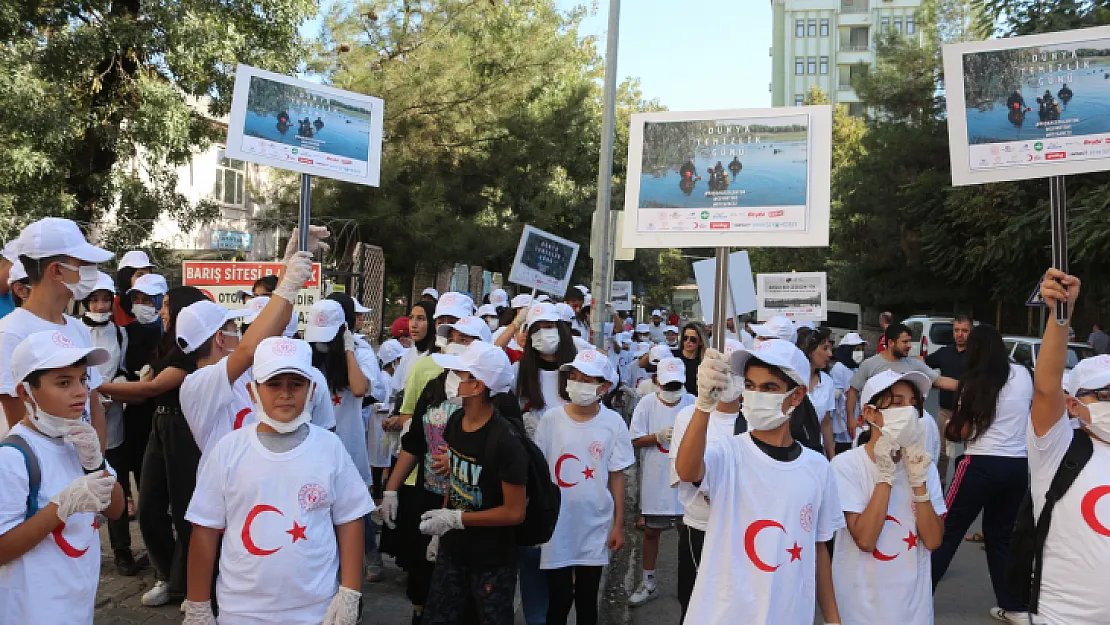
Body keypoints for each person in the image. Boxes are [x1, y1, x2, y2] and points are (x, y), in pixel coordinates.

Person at [183, 337, 373, 625]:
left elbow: (349, 520)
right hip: (242, 610)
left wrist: (349, 592)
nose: (285, 393)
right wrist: (198, 606)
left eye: (296, 384)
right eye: (273, 384)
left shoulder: (330, 447)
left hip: (316, 609)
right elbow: (205, 530)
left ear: (312, 392)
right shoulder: (228, 449)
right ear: (253, 391)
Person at [675, 340, 843, 624]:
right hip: (725, 614)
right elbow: (688, 471)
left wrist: (833, 619)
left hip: (788, 614)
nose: (755, 395)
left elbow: (819, 548)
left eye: (769, 388)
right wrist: (703, 406)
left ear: (797, 395)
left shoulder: (818, 468)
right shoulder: (727, 453)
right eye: (750, 385)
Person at [0, 330, 125, 624]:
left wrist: (95, 463)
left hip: (78, 603)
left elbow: (116, 509)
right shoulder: (14, 457)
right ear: (26, 392)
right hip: (31, 610)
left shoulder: (77, 440)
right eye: (63, 382)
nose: (81, 391)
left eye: (83, 379)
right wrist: (61, 507)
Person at [98, 285, 209, 607]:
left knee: (186, 510)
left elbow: (153, 387)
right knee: (149, 506)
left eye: (167, 305)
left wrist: (92, 385)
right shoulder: (165, 342)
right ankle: (166, 573)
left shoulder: (191, 350)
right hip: (159, 425)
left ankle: (188, 582)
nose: (161, 311)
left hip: (183, 428)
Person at [381, 315, 491, 624]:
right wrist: (391, 488)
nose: (458, 343)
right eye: (453, 336)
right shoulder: (433, 386)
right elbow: (414, 443)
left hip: (473, 503)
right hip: (429, 495)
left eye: (466, 338)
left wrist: (459, 461)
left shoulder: (495, 394)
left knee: (466, 583)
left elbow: (503, 454)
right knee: (425, 574)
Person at [417, 341, 529, 625]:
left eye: (460, 374)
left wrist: (457, 519)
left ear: (478, 386)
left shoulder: (505, 442)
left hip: (492, 560)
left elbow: (515, 512)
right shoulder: (456, 421)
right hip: (453, 551)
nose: (452, 379)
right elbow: (454, 481)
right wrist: (442, 529)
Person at [931, 324, 1031, 623]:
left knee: (945, 533)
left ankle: (918, 598)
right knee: (1001, 537)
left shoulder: (971, 383)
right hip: (1017, 467)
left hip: (980, 464)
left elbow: (960, 432)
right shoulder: (1024, 375)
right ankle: (1013, 606)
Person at [831, 370, 946, 625]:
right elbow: (865, 538)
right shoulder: (847, 465)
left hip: (913, 608)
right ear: (870, 413)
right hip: (861, 607)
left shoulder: (922, 465)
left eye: (913, 404)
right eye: (897, 403)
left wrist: (919, 484)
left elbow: (933, 539)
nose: (908, 411)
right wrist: (886, 476)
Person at [1028, 268, 1110, 625]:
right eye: (1105, 395)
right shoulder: (1056, 450)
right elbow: (1046, 388)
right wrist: (1060, 315)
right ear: (1073, 405)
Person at [534, 349, 634, 625]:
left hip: (595, 522)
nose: (577, 383)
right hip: (557, 523)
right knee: (559, 598)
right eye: (574, 376)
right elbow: (540, 472)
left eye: (587, 379)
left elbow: (616, 475)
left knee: (587, 600)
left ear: (603, 387)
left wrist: (617, 525)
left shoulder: (613, 423)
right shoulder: (551, 419)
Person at [0, 218, 113, 445]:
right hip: (45, 473)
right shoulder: (10, 333)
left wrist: (97, 464)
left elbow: (93, 402)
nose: (91, 272)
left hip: (82, 466)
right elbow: (18, 420)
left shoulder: (78, 328)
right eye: (83, 264)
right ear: (57, 270)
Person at [667, 354, 743, 621]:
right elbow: (685, 472)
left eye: (732, 372)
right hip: (700, 528)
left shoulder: (755, 420)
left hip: (741, 532)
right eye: (719, 372)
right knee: (693, 605)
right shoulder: (688, 415)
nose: (726, 379)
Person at [82, 272, 140, 576]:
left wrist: (116, 386)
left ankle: (121, 550)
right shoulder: (74, 330)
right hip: (81, 416)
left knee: (112, 480)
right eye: (95, 299)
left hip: (113, 416)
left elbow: (122, 368)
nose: (101, 305)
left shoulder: (120, 333)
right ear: (85, 301)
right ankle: (79, 547)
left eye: (106, 299)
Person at [628, 357, 693, 606]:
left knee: (687, 536)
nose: (672, 390)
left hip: (684, 482)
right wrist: (656, 436)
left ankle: (689, 585)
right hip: (655, 481)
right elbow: (634, 440)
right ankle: (648, 580)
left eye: (676, 384)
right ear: (656, 381)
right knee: (652, 532)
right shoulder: (646, 404)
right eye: (668, 385)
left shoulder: (691, 402)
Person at [847, 323, 958, 442]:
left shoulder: (915, 365)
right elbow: (853, 392)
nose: (909, 346)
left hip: (906, 432)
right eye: (905, 342)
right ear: (891, 343)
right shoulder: (869, 364)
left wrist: (970, 385)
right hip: (876, 428)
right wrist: (850, 419)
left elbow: (940, 381)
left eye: (910, 342)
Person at [925, 314, 972, 486]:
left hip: (970, 413)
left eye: (964, 331)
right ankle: (939, 488)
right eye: (957, 330)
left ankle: (966, 488)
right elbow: (923, 363)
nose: (960, 334)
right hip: (945, 411)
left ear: (971, 332)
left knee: (971, 454)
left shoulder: (977, 355)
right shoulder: (944, 352)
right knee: (941, 454)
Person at [800, 327, 837, 459]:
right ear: (810, 350)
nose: (830, 354)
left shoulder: (827, 382)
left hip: (815, 451)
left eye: (830, 349)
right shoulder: (792, 380)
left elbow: (826, 423)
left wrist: (832, 458)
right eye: (825, 348)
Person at [830, 333, 867, 454]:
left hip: (855, 418)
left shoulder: (856, 369)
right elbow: (836, 395)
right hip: (841, 420)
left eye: (861, 349)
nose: (860, 353)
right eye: (857, 349)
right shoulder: (839, 368)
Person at [113, 250, 155, 327]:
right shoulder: (114, 306)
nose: (145, 279)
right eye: (139, 275)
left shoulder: (157, 304)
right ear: (126, 278)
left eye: (148, 275)